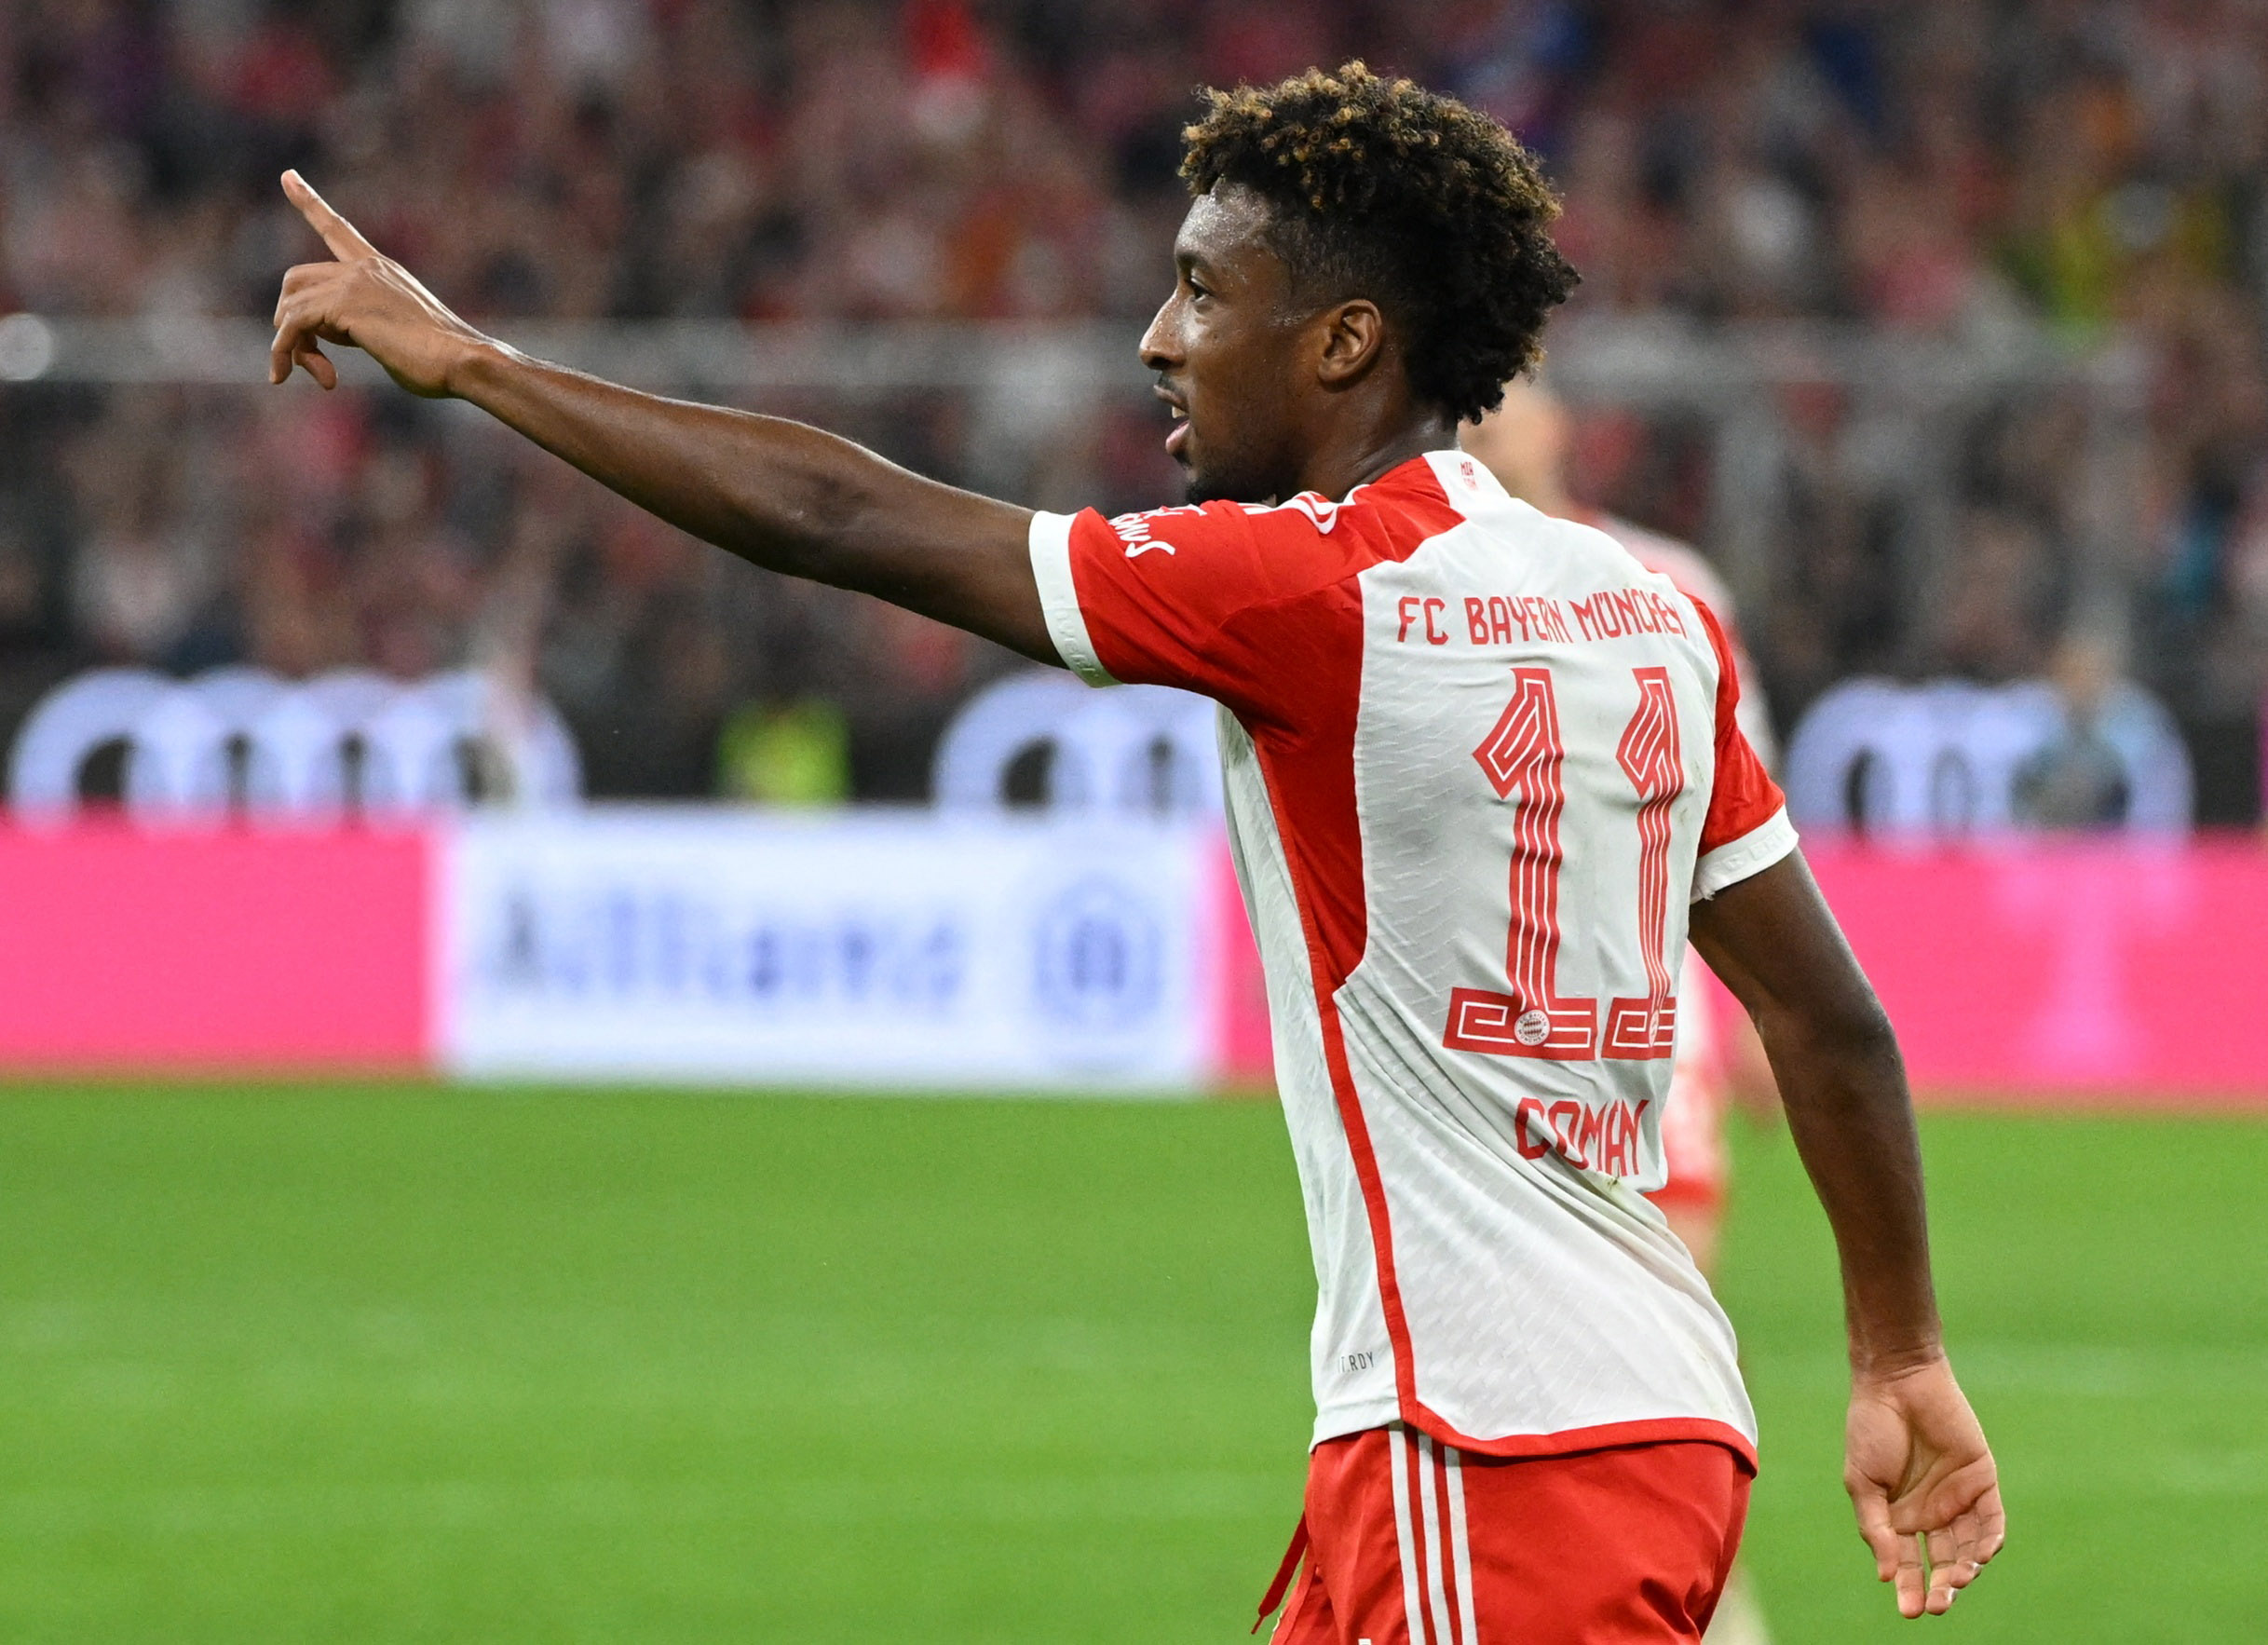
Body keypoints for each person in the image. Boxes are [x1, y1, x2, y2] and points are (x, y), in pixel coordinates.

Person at [268, 61, 2002, 1643]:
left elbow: (843, 517)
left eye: (1201, 288)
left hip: (1485, 1441)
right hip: (1645, 1415)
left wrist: (477, 363)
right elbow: (1831, 1020)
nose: (1157, 339)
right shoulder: (1650, 614)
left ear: (1341, 342)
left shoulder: (1311, 592)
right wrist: (1900, 1350)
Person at [1465, 379, 1789, 1643]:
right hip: (1486, 1034)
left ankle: (1696, 1601)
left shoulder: (1664, 578)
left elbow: (1741, 811)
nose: (1495, 421)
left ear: (1563, 419)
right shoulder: (1415, 586)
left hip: (1654, 1031)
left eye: (1519, 394)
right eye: (1476, 401)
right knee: (1533, 1371)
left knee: (1659, 1345)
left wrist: (1763, 1003)